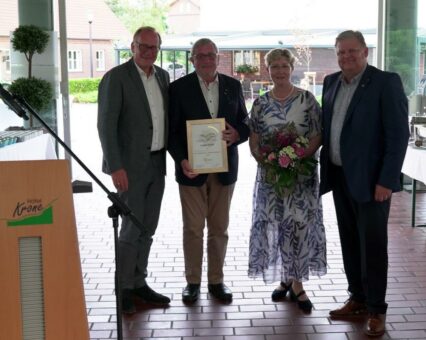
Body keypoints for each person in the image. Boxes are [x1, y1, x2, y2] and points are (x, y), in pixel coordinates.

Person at [320, 30, 409, 336]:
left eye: (352, 51)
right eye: (340, 52)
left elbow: (398, 137)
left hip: (373, 184)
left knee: (373, 246)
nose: (346, 57)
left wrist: (387, 180)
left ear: (365, 51)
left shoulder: (385, 82)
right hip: (340, 176)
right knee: (349, 241)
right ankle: (357, 297)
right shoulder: (331, 83)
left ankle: (376, 310)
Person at [168, 38, 250, 303]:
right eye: (200, 55)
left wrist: (238, 133)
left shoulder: (233, 86)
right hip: (191, 170)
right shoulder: (178, 88)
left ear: (217, 57)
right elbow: (172, 132)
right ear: (192, 59)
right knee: (192, 228)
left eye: (210, 55)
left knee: (219, 228)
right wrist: (181, 160)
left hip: (224, 171)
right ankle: (192, 281)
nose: (205, 60)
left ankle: (216, 280)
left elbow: (244, 123)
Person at [247, 48, 327, 313]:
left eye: (284, 66)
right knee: (278, 225)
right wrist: (267, 161)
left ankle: (298, 284)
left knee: (300, 226)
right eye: (274, 66)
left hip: (301, 177)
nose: (280, 71)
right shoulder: (260, 104)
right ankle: (284, 278)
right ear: (268, 70)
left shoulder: (306, 100)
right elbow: (254, 139)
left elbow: (317, 134)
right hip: (271, 178)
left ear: (292, 68)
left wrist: (299, 156)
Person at [97, 26, 170, 314]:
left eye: (154, 47)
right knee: (129, 229)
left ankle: (139, 282)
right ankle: (124, 287)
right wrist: (115, 166)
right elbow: (106, 125)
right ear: (132, 47)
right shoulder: (116, 78)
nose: (149, 52)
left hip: (156, 163)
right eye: (144, 47)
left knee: (147, 227)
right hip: (129, 167)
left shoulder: (162, 76)